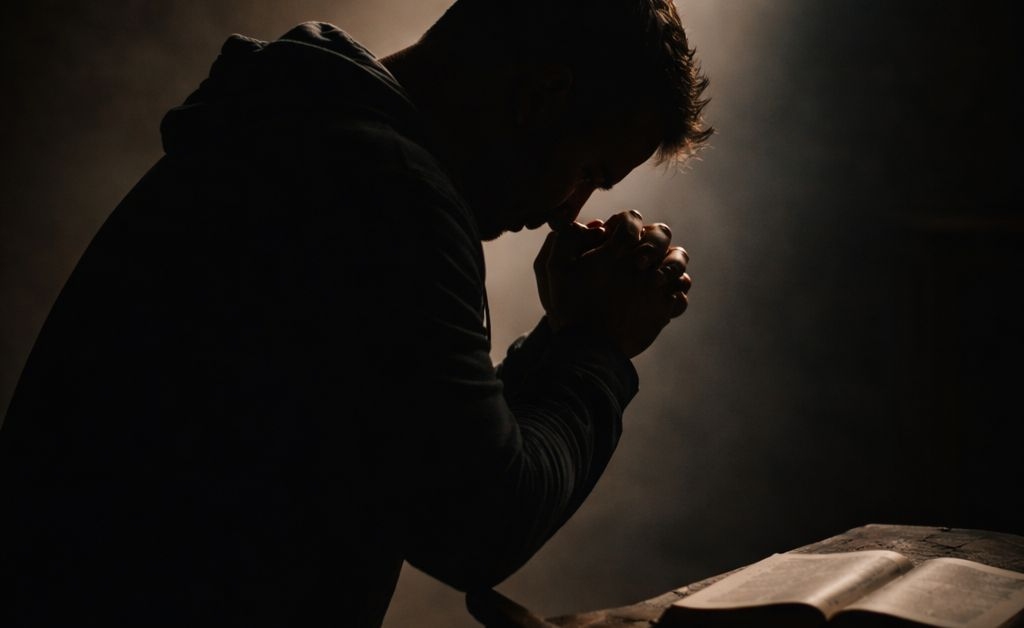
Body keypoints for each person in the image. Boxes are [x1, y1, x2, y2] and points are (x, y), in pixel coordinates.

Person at [0, 1, 712, 626]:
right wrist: (598, 348)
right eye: (589, 170)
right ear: (543, 96)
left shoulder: (301, 135)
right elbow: (479, 521)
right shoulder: (385, 194)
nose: (569, 214)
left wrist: (566, 344)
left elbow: (425, 452)